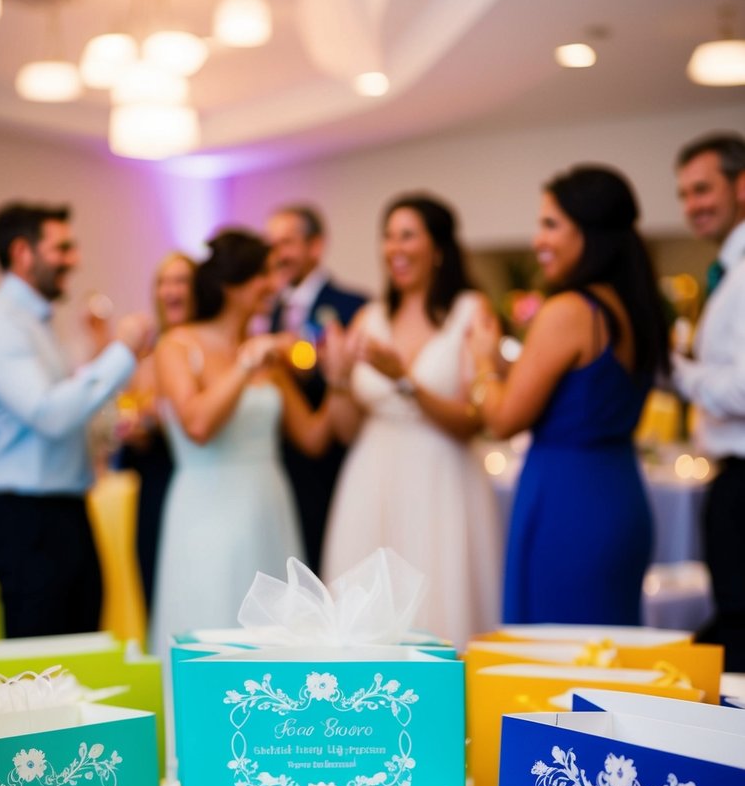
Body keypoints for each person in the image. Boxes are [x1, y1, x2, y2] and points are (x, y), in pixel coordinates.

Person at [467, 165, 671, 625]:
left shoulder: (569, 311)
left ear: (590, 232)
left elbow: (502, 421)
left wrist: (482, 360)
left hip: (566, 502)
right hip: (618, 491)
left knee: (557, 656)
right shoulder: (635, 308)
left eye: (550, 224)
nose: (538, 240)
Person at [0, 201, 153, 638]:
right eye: (62, 248)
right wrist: (122, 351)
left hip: (64, 508)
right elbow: (49, 413)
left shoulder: (37, 323)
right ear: (23, 252)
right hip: (26, 517)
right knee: (40, 661)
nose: (74, 261)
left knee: (82, 644)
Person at [321, 193, 501, 646]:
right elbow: (345, 430)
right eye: (387, 237)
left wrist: (406, 382)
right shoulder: (370, 316)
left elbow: (472, 421)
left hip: (441, 477)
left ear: (438, 248)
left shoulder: (469, 312)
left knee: (440, 602)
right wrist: (339, 380)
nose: (394, 248)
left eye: (407, 236)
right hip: (370, 476)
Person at [150, 228, 332, 655]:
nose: (274, 285)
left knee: (275, 640)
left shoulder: (267, 355)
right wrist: (245, 363)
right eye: (264, 274)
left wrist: (341, 380)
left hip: (268, 505)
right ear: (232, 284)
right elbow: (197, 424)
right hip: (207, 511)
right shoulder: (178, 345)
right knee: (214, 619)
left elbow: (312, 437)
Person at [672, 132, 745, 668]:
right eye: (684, 194)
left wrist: (678, 373)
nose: (692, 205)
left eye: (703, 190)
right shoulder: (727, 272)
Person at [265, 204, 367, 573]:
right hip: (280, 466)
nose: (278, 255)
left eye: (287, 243)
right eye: (272, 245)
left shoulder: (353, 306)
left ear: (315, 246)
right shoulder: (268, 310)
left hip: (332, 465)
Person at [117, 251, 196, 614]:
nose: (171, 290)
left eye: (181, 281)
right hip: (155, 483)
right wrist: (133, 428)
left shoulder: (208, 351)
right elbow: (125, 416)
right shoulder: (145, 358)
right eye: (164, 282)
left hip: (197, 478)